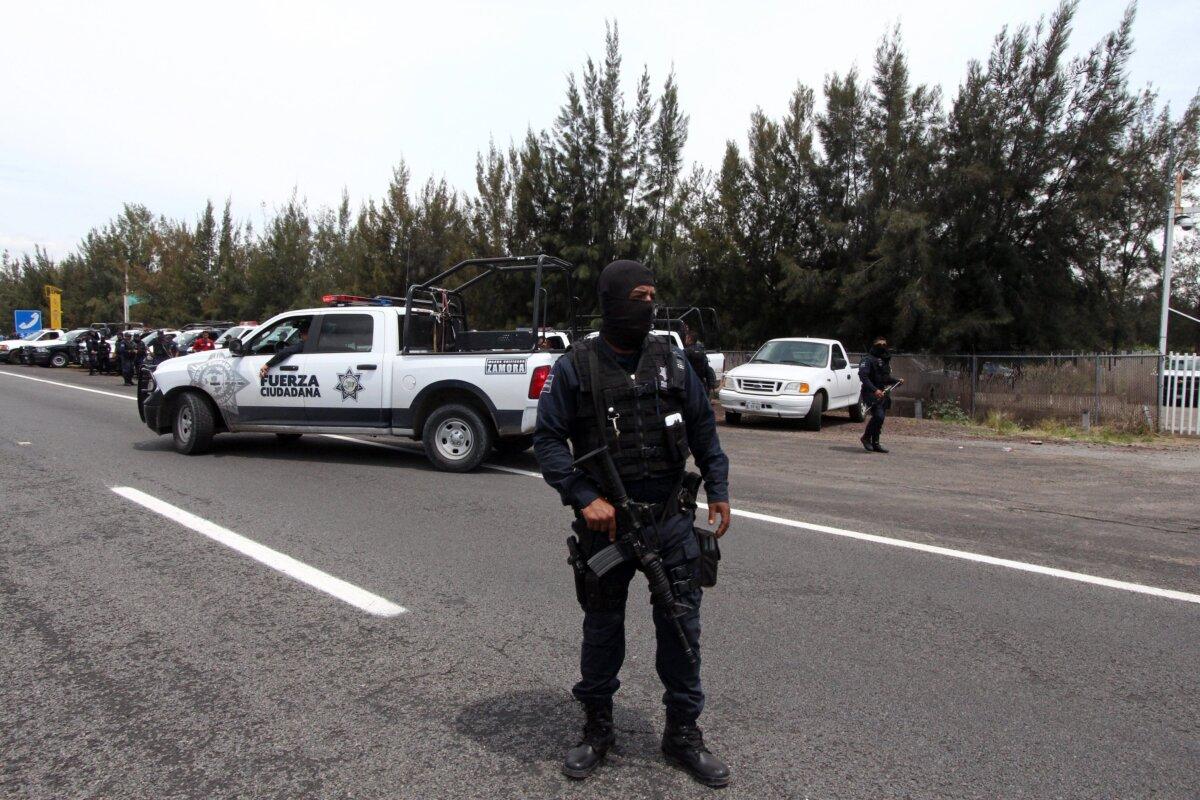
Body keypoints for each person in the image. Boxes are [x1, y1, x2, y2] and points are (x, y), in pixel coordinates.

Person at [534, 260, 733, 787]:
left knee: (681, 625)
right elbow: (548, 441)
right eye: (638, 295)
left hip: (669, 519)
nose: (647, 305)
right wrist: (581, 496)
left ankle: (683, 733)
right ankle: (598, 727)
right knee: (602, 628)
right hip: (607, 527)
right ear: (613, 300)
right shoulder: (576, 366)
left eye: (652, 295)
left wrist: (719, 486)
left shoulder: (671, 359)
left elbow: (703, 427)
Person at [858, 337, 903, 453]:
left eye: (884, 345)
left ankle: (875, 443)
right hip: (870, 392)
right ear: (874, 345)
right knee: (878, 416)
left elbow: (885, 378)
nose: (882, 347)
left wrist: (896, 381)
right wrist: (874, 390)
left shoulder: (883, 361)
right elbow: (863, 376)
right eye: (880, 345)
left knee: (880, 418)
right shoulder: (867, 359)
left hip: (882, 393)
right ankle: (866, 437)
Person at [683, 328, 717, 394]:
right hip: (700, 383)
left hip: (689, 383)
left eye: (686, 338)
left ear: (689, 339)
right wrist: (710, 385)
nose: (685, 339)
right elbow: (708, 369)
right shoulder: (702, 352)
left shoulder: (686, 352)